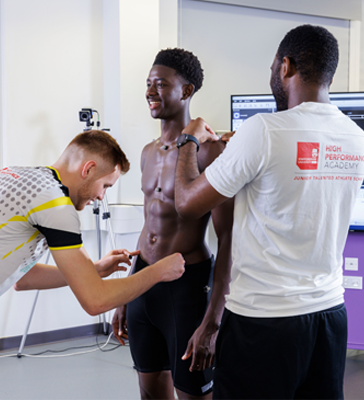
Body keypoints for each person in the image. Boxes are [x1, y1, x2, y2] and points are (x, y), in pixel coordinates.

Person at [174, 25, 364, 399]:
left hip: (263, 320)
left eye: (273, 67)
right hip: (329, 316)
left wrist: (188, 140)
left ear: (285, 66)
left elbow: (186, 204)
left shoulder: (263, 130)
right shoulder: (355, 136)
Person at [0, 129, 185, 400]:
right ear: (88, 169)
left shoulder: (13, 175)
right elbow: (95, 301)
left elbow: (22, 279)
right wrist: (158, 271)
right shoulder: (55, 204)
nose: (101, 197)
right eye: (106, 186)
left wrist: (93, 270)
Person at [112, 48, 234, 400]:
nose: (150, 91)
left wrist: (213, 319)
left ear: (186, 90)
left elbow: (228, 237)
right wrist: (126, 292)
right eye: (148, 83)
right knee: (150, 390)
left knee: (193, 393)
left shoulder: (209, 151)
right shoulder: (147, 152)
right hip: (145, 280)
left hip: (187, 289)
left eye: (161, 84)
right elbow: (148, 225)